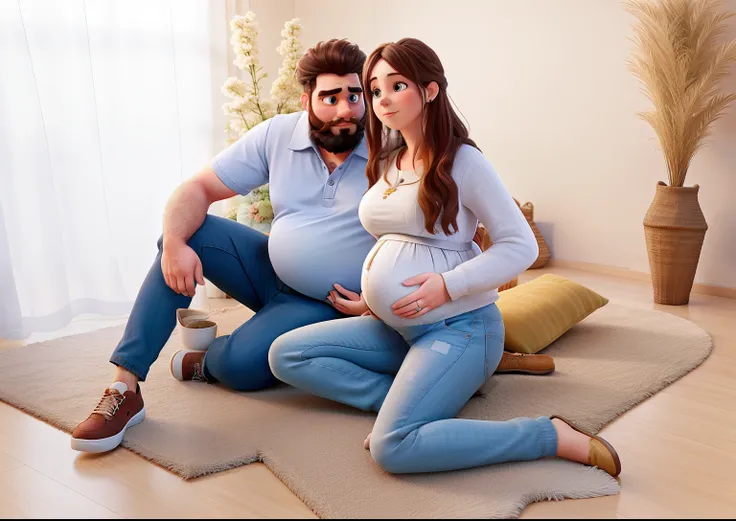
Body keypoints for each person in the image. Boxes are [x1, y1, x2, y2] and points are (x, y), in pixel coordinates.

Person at [269, 38, 621, 477]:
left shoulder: (463, 161)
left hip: (462, 329)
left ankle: (548, 435)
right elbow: (397, 240)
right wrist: (373, 301)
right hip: (395, 326)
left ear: (430, 90)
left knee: (393, 449)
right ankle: (403, 402)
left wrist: (447, 286)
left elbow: (520, 245)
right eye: (375, 90)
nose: (381, 101)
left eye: (396, 86)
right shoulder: (391, 160)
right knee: (285, 355)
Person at [70, 39, 377, 453]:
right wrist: (176, 243)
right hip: (268, 270)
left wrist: (377, 301)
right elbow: (197, 187)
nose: (345, 110)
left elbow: (426, 238)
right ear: (307, 100)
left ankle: (208, 359)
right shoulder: (279, 134)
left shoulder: (392, 146)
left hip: (329, 300)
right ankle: (124, 388)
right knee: (183, 235)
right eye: (331, 97)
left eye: (354, 95)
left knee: (240, 368)